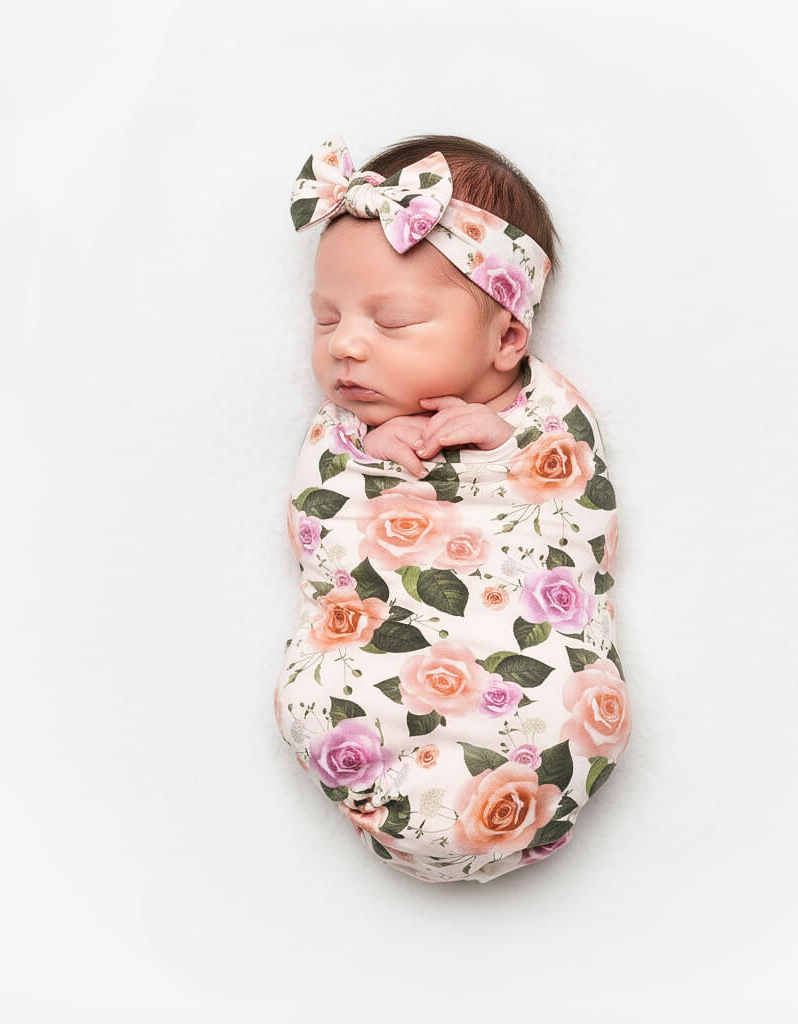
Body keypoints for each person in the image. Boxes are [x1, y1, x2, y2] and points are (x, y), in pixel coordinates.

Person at [275, 133, 630, 883]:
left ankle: (525, 794)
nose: (348, 348)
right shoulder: (345, 436)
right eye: (327, 320)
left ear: (506, 337)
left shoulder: (547, 423)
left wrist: (505, 449)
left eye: (393, 321)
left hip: (526, 685)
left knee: (582, 696)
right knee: (319, 690)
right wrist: (369, 454)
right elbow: (323, 522)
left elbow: (578, 516)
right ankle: (386, 796)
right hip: (377, 671)